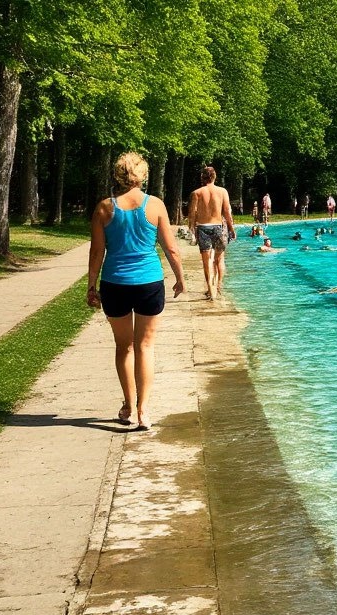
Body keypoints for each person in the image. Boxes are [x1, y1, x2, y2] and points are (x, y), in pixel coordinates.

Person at [87, 152, 185, 431]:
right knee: (146, 346)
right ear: (143, 175)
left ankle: (128, 405)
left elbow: (97, 252)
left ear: (117, 175)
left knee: (124, 346)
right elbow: (171, 248)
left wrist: (91, 285)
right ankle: (143, 410)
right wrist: (180, 278)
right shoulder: (154, 205)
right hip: (148, 283)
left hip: (115, 283)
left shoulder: (104, 208)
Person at [187, 165, 236, 299]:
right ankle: (219, 285)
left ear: (202, 178)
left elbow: (192, 213)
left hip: (203, 227)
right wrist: (231, 228)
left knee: (206, 261)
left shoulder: (196, 193)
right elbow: (226, 212)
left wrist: (191, 228)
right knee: (219, 259)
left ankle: (210, 290)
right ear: (214, 177)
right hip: (218, 227)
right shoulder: (222, 192)